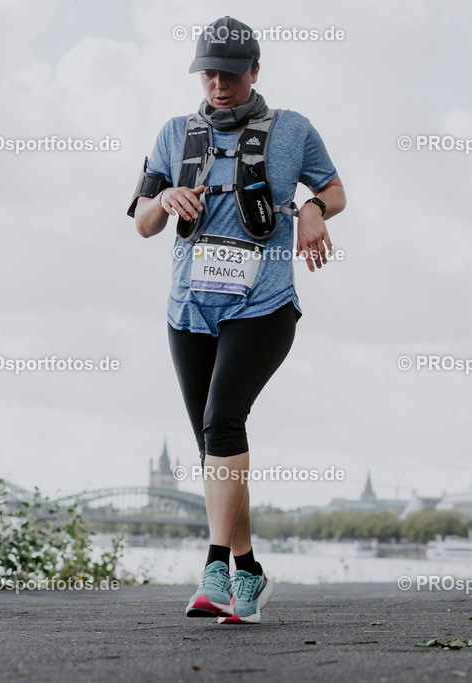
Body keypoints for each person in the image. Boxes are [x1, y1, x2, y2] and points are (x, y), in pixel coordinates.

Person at [129, 16, 346, 624]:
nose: (217, 85)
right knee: (215, 446)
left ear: (255, 70)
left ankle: (216, 567)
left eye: (229, 74)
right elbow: (141, 219)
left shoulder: (294, 130)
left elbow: (336, 190)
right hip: (189, 309)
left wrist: (309, 207)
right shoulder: (175, 133)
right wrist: (163, 200)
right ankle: (250, 572)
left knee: (223, 420)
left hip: (264, 303)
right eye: (208, 74)